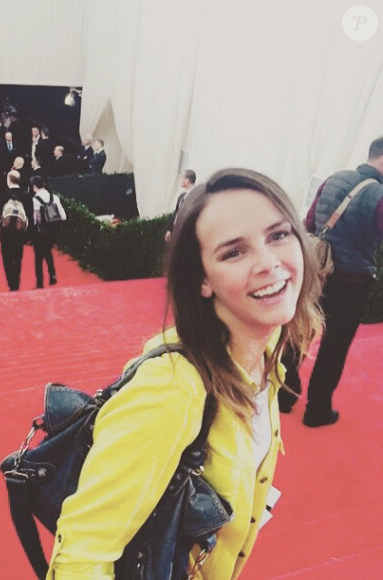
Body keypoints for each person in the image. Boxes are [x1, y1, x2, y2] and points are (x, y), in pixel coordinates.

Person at [45, 168, 323, 580]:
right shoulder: (171, 389)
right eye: (234, 252)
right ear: (202, 280)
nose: (269, 263)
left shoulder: (265, 352)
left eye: (278, 235)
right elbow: (80, 554)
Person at [279, 137, 383, 427]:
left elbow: (309, 222)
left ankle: (285, 396)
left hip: (317, 273)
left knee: (300, 332)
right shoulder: (379, 195)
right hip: (352, 282)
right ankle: (317, 410)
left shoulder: (334, 179)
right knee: (334, 346)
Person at [0, 170, 33, 291]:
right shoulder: (26, 196)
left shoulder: (3, 194)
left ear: (9, 180)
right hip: (20, 233)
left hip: (6, 232)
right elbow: (30, 216)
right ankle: (16, 282)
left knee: (6, 258)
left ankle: (11, 282)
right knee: (18, 257)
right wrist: (29, 235)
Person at [30, 175, 67, 288]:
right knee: (48, 252)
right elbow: (63, 216)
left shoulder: (35, 200)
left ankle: (40, 283)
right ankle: (52, 276)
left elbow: (35, 219)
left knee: (39, 257)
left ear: (34, 186)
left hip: (41, 232)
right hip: (53, 231)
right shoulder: (54, 197)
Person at [165, 169, 197, 242]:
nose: (180, 180)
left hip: (188, 233)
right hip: (177, 231)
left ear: (187, 180)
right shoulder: (182, 196)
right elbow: (176, 213)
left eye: (182, 178)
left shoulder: (196, 196)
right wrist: (170, 229)